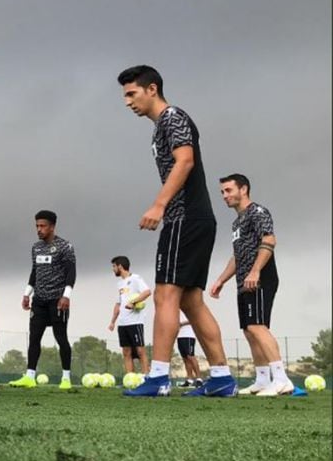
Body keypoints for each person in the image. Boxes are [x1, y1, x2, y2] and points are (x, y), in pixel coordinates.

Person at [118, 65, 236, 397]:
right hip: (197, 220)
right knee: (192, 302)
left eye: (132, 93)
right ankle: (223, 378)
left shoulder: (173, 118)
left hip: (185, 218)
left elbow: (185, 161)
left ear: (151, 89)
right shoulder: (159, 129)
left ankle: (157, 378)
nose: (127, 102)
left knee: (165, 295)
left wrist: (159, 205)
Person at [211, 174, 292, 396]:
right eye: (222, 192)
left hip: (261, 278)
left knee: (258, 326)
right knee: (249, 331)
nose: (224, 196)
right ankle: (263, 380)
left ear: (243, 189)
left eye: (228, 190)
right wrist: (221, 280)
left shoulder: (258, 212)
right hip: (243, 281)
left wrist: (255, 271)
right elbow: (237, 256)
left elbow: (269, 240)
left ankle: (282, 380)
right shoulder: (237, 222)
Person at [11, 211, 76, 390]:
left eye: (43, 226)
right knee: (34, 338)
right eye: (37, 226)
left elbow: (71, 272)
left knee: (61, 337)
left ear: (52, 226)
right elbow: (35, 272)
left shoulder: (65, 246)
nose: (39, 229)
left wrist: (66, 296)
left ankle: (66, 378)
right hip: (39, 300)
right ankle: (30, 376)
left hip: (57, 300)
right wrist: (27, 293)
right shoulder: (36, 248)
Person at [107, 256, 151, 375]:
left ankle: (146, 377)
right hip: (123, 322)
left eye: (114, 266)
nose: (113, 269)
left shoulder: (136, 278)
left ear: (120, 266)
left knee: (140, 350)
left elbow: (147, 292)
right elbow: (118, 303)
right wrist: (112, 321)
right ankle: (130, 378)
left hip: (135, 321)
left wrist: (133, 302)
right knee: (126, 352)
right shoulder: (119, 284)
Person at [177, 313, 202, 387]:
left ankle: (199, 379)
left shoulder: (188, 307)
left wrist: (182, 323)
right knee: (185, 358)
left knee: (190, 356)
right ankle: (189, 380)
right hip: (179, 336)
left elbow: (194, 319)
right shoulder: (177, 309)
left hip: (189, 335)